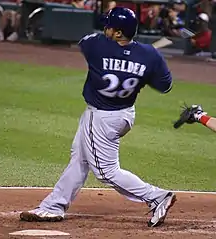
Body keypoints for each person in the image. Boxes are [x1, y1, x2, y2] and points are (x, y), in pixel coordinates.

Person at [20, 7, 176, 227]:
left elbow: (85, 41)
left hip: (102, 117)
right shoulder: (150, 55)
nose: (106, 29)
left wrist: (130, 58)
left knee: (106, 171)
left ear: (120, 33)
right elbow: (166, 86)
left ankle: (157, 196)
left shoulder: (96, 46)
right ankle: (53, 206)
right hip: (123, 115)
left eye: (110, 26)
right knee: (79, 158)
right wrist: (145, 66)